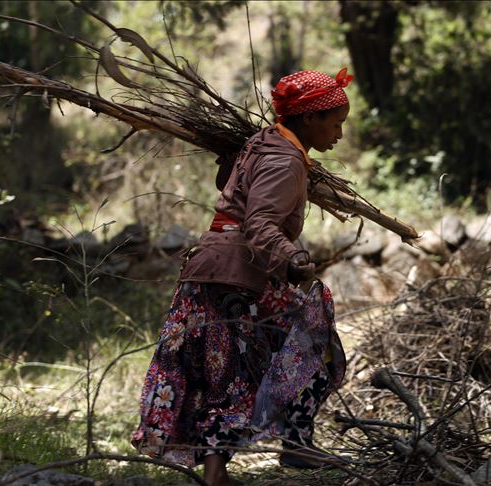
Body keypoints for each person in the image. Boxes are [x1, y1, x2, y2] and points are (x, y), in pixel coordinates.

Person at [131, 68, 352, 486]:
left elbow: (234, 192)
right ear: (309, 119)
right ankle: (297, 444)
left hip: (211, 270)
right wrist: (295, 257)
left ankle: (219, 473)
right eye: (336, 123)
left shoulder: (262, 142)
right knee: (317, 344)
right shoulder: (285, 160)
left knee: (224, 370)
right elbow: (260, 222)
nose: (339, 134)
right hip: (237, 275)